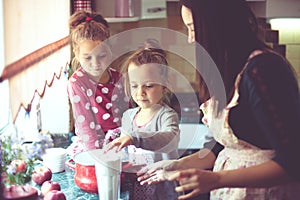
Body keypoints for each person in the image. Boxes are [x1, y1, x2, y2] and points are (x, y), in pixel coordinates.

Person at [137, 0, 300, 199]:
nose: (190, 39)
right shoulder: (229, 70)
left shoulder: (263, 69)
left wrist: (216, 179)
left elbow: (293, 162)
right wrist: (177, 164)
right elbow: (226, 146)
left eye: (192, 28)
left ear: (214, 24)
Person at [105, 47, 180, 199]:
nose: (140, 92)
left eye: (149, 85)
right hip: (138, 182)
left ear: (164, 86)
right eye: (134, 86)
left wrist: (134, 138)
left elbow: (169, 139)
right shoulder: (128, 116)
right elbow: (127, 151)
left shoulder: (167, 116)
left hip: (162, 187)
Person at [67, 11, 130, 154]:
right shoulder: (77, 83)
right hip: (93, 146)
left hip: (121, 143)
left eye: (102, 56)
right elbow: (85, 127)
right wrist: (97, 156)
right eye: (88, 58)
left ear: (110, 51)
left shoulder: (118, 77)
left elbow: (129, 114)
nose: (96, 64)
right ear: (76, 53)